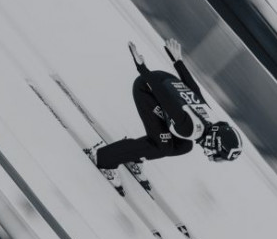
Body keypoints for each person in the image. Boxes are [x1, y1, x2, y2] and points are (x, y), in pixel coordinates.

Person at [89, 39, 243, 184]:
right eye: (218, 156)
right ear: (214, 143)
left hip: (163, 82)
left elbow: (194, 90)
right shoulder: (190, 127)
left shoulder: (209, 120)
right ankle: (103, 158)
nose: (214, 159)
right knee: (162, 145)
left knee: (184, 146)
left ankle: (133, 154)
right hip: (148, 89)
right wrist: (142, 68)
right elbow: (165, 98)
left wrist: (178, 61)